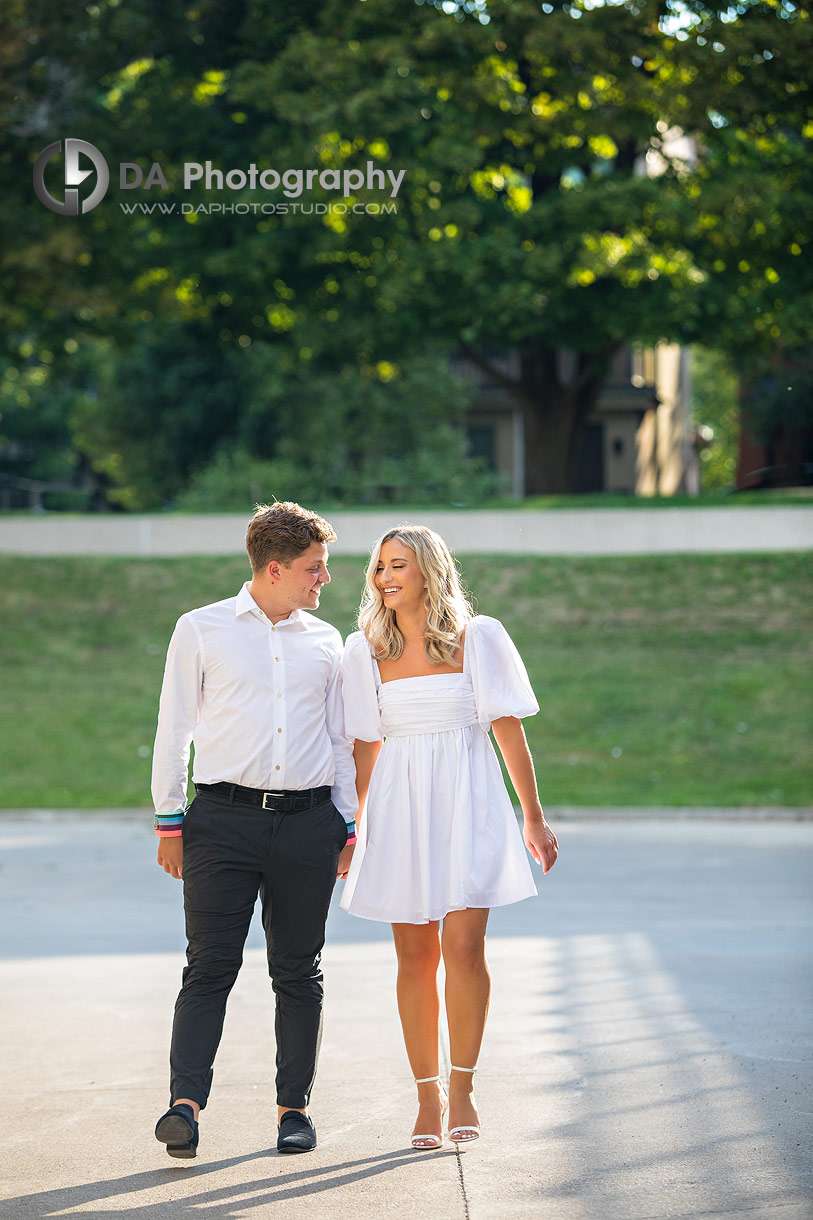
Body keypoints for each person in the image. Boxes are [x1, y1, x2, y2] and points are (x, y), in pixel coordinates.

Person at [340, 524, 558, 1149]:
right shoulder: (363, 652)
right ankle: (427, 1097)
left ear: (429, 572)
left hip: (468, 799)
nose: (385, 578)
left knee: (464, 950)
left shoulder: (478, 638)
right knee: (415, 957)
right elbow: (363, 748)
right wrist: (354, 831)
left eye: (398, 565)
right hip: (398, 809)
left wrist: (532, 816)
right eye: (379, 567)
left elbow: (507, 728)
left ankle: (463, 1087)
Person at [151, 502, 357, 1159]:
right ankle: (183, 1107)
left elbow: (340, 739)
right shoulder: (201, 629)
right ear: (275, 568)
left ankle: (292, 1111)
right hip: (220, 824)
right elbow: (174, 727)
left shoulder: (327, 643)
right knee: (209, 966)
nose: (323, 580)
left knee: (298, 973)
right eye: (313, 568)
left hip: (307, 825)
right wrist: (168, 819)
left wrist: (347, 823)